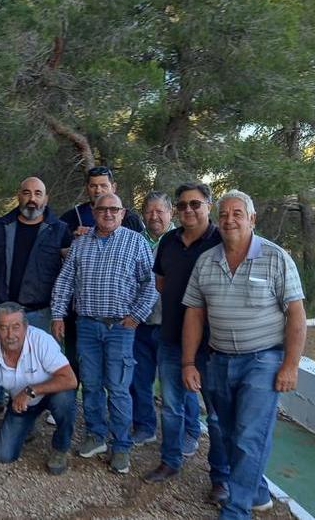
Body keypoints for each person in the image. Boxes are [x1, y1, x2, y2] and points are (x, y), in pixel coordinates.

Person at [181, 190, 307, 519]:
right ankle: (259, 492)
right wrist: (189, 362)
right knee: (227, 432)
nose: (229, 219)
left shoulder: (276, 257)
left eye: (238, 213)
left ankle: (236, 510)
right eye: (223, 214)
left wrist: (290, 365)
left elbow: (296, 314)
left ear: (252, 219)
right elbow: (194, 313)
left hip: (263, 360)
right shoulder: (206, 261)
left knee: (250, 434)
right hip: (218, 359)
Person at [51, 193, 158, 475]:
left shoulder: (136, 242)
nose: (108, 213)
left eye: (114, 209)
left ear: (122, 213)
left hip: (120, 328)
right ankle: (96, 435)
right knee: (91, 384)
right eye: (102, 209)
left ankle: (121, 446)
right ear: (94, 212)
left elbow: (150, 285)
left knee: (119, 388)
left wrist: (136, 316)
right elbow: (65, 281)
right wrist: (58, 314)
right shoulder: (80, 244)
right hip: (86, 325)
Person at [142, 183, 224, 494]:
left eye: (195, 204)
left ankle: (219, 477)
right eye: (182, 205)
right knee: (171, 406)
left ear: (208, 205)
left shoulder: (221, 240)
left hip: (214, 345)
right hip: (171, 338)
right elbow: (161, 282)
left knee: (215, 415)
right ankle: (170, 460)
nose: (188, 210)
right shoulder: (169, 242)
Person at [0, 303, 78, 475]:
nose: (10, 335)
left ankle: (61, 448)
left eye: (16, 327)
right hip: (21, 402)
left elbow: (70, 380)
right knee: (3, 455)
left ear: (26, 327)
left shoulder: (41, 340)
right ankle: (27, 428)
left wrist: (31, 390)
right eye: (4, 328)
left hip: (50, 393)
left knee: (65, 399)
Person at [58, 165, 145, 381]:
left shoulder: (132, 224)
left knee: (118, 381)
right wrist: (58, 313)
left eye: (103, 185)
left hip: (120, 320)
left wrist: (136, 315)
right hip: (84, 317)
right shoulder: (72, 219)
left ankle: (123, 414)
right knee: (87, 376)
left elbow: (147, 277)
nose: (98, 190)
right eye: (93, 186)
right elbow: (64, 268)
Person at [0, 176, 70, 343]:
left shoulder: (59, 230)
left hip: (40, 314)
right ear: (18, 196)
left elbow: (73, 269)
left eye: (38, 194)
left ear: (45, 198)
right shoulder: (2, 226)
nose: (32, 199)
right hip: (1, 311)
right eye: (26, 193)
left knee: (36, 367)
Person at [129, 190, 173, 446]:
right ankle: (145, 426)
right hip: (140, 324)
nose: (154, 216)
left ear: (170, 213)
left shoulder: (180, 240)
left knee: (174, 385)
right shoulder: (134, 241)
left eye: (160, 211)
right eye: (149, 211)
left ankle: (185, 432)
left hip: (170, 325)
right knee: (139, 380)